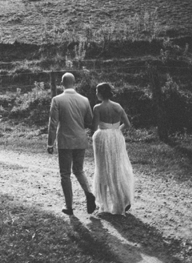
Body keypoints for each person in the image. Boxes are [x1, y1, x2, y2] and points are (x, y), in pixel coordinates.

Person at [47, 72, 96, 216]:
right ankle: (89, 193)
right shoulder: (85, 100)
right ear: (74, 83)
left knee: (65, 174)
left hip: (65, 141)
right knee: (79, 170)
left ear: (62, 83)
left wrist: (50, 143)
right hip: (80, 140)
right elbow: (89, 121)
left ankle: (69, 206)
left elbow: (53, 124)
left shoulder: (57, 100)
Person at [91, 82, 134, 215]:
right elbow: (127, 124)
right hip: (116, 137)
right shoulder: (118, 106)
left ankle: (103, 204)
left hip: (102, 137)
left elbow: (94, 127)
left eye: (97, 91)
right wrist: (116, 130)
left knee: (102, 168)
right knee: (117, 168)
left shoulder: (97, 108)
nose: (96, 93)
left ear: (100, 93)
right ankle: (123, 200)